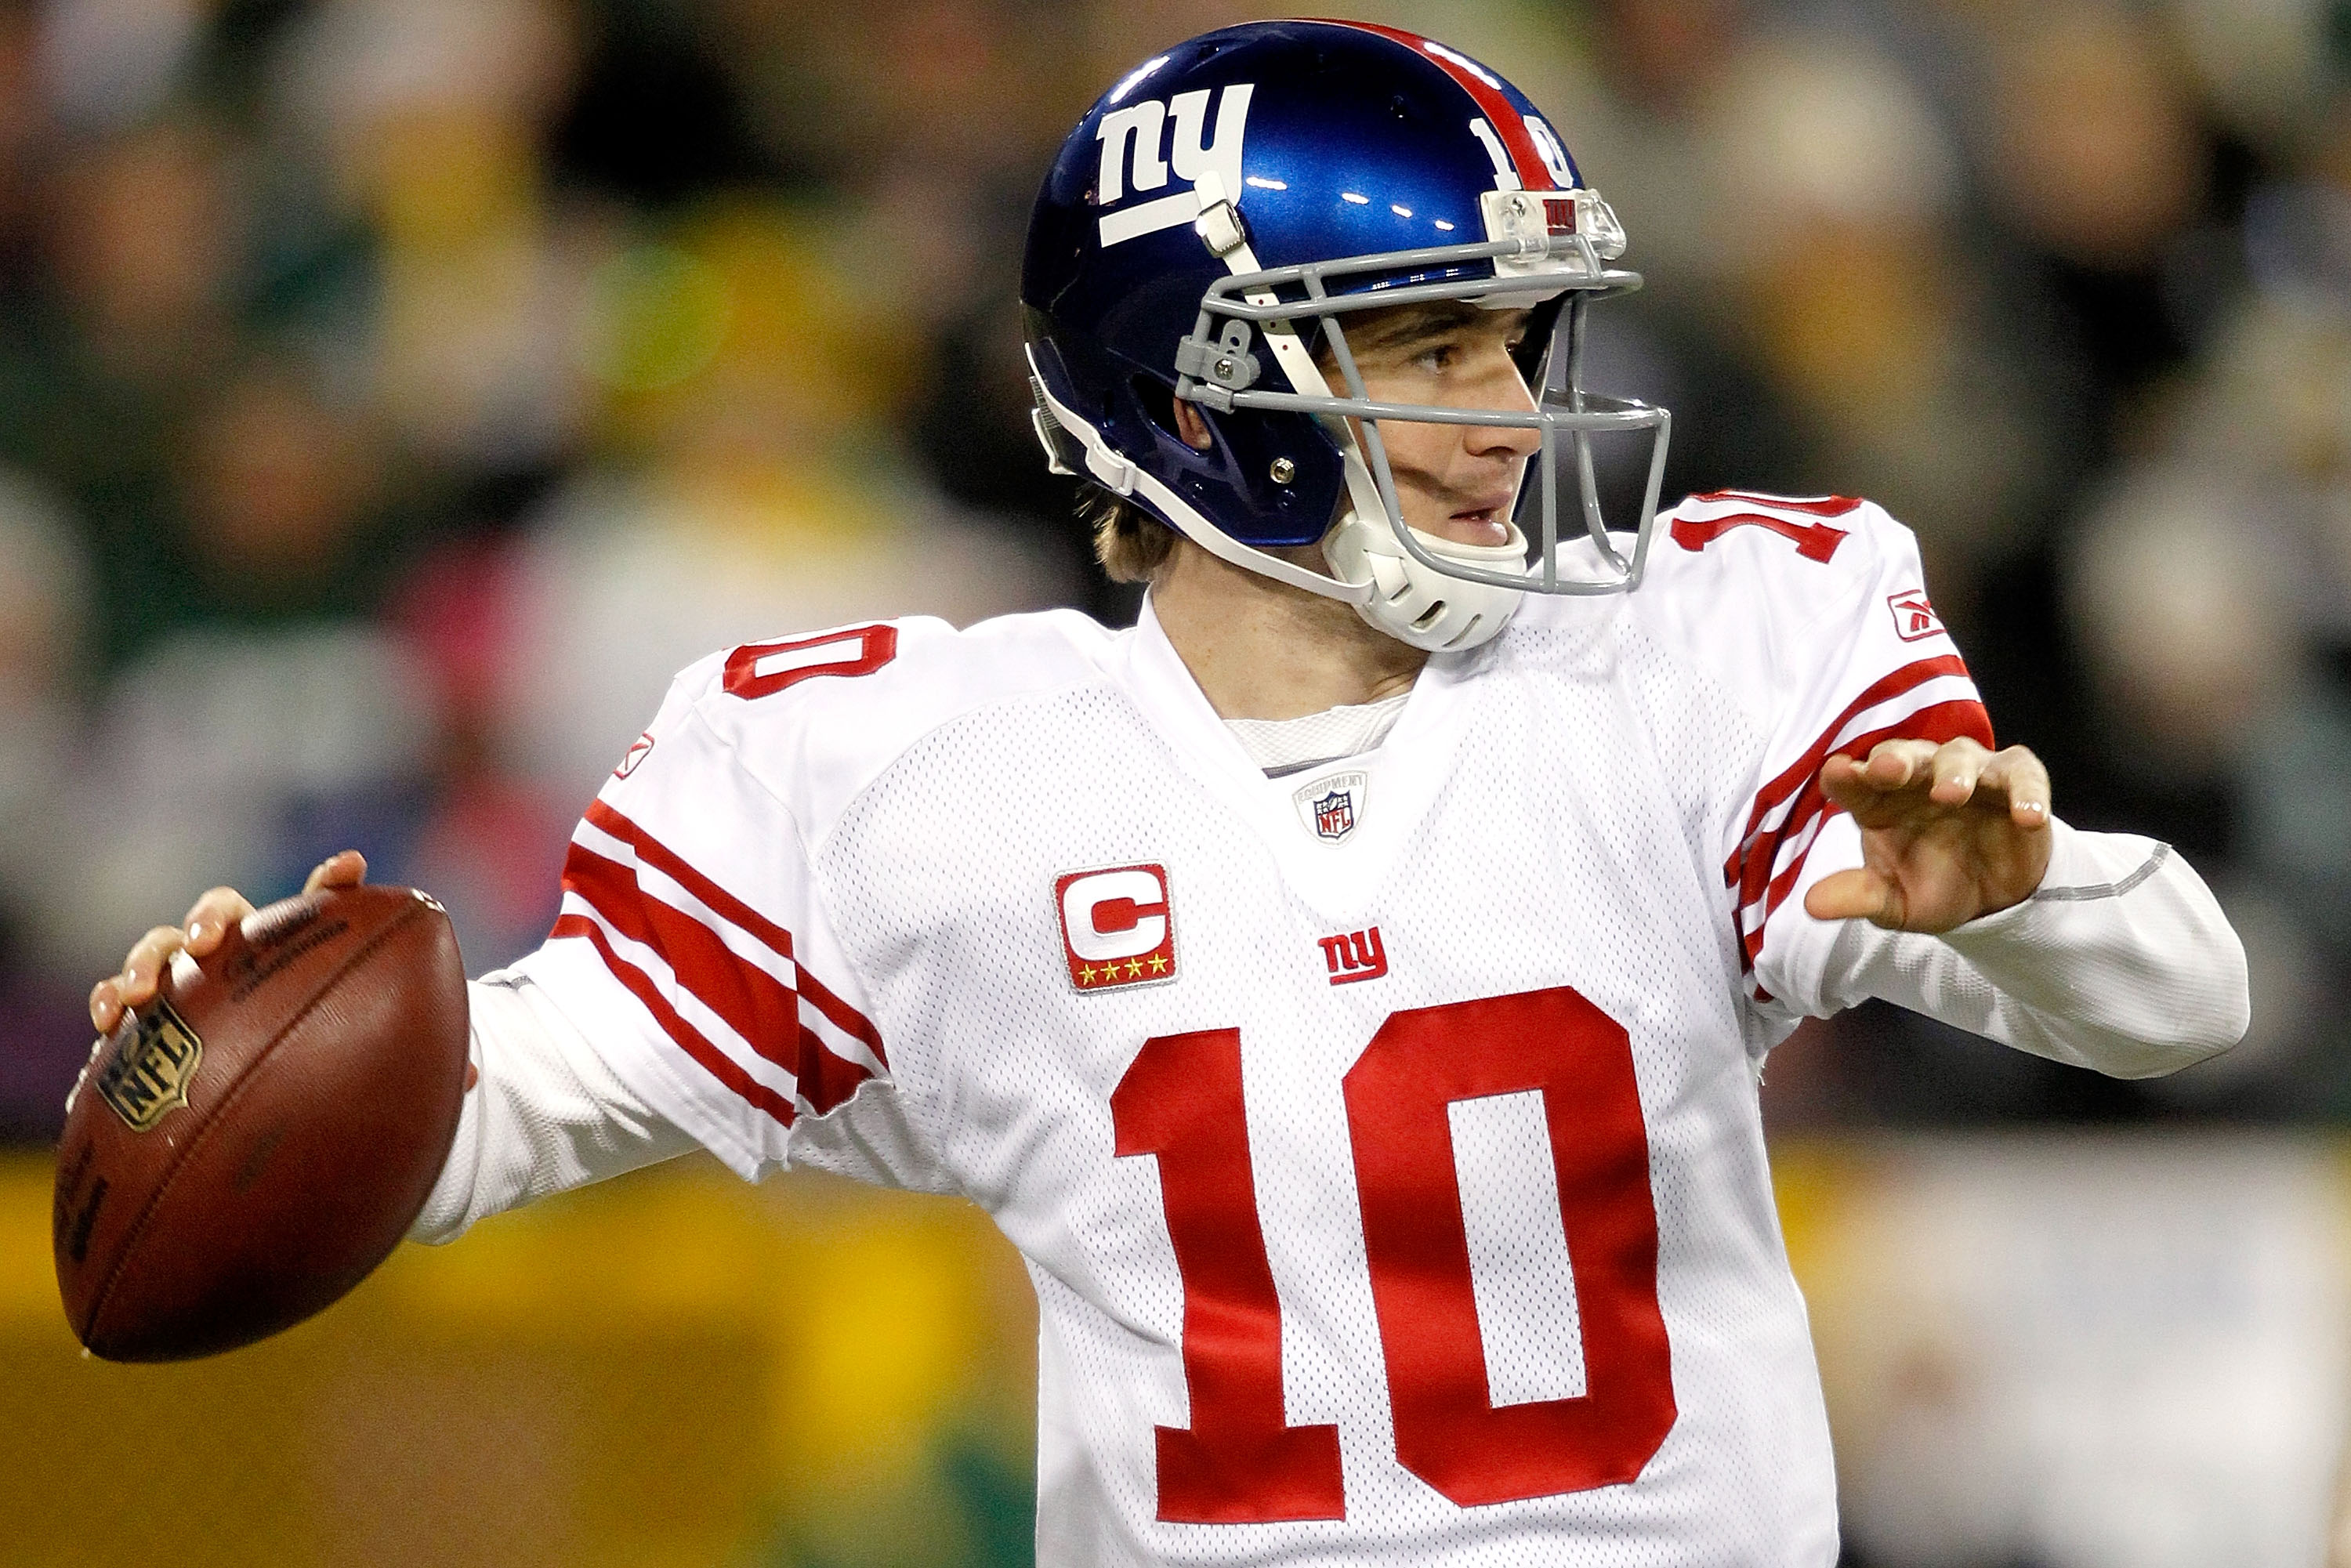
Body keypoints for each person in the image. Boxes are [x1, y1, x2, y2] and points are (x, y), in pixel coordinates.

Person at [90, 21, 2247, 1566]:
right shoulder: (921, 777)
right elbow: (471, 1111)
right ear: (1202, 395)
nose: (1511, 413)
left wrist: (2017, 895)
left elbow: (2182, 999)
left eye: (1515, 340)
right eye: (1421, 348)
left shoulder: (1684, 653)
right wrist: (211, 1043)